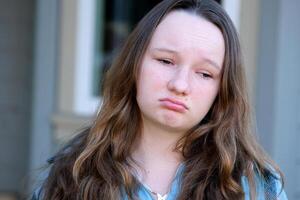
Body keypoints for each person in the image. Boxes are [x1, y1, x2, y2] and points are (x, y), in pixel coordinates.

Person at [32, 0, 288, 199]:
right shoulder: (71, 175)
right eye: (166, 61)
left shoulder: (257, 186)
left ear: (222, 90)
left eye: (205, 73)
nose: (179, 85)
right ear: (134, 64)